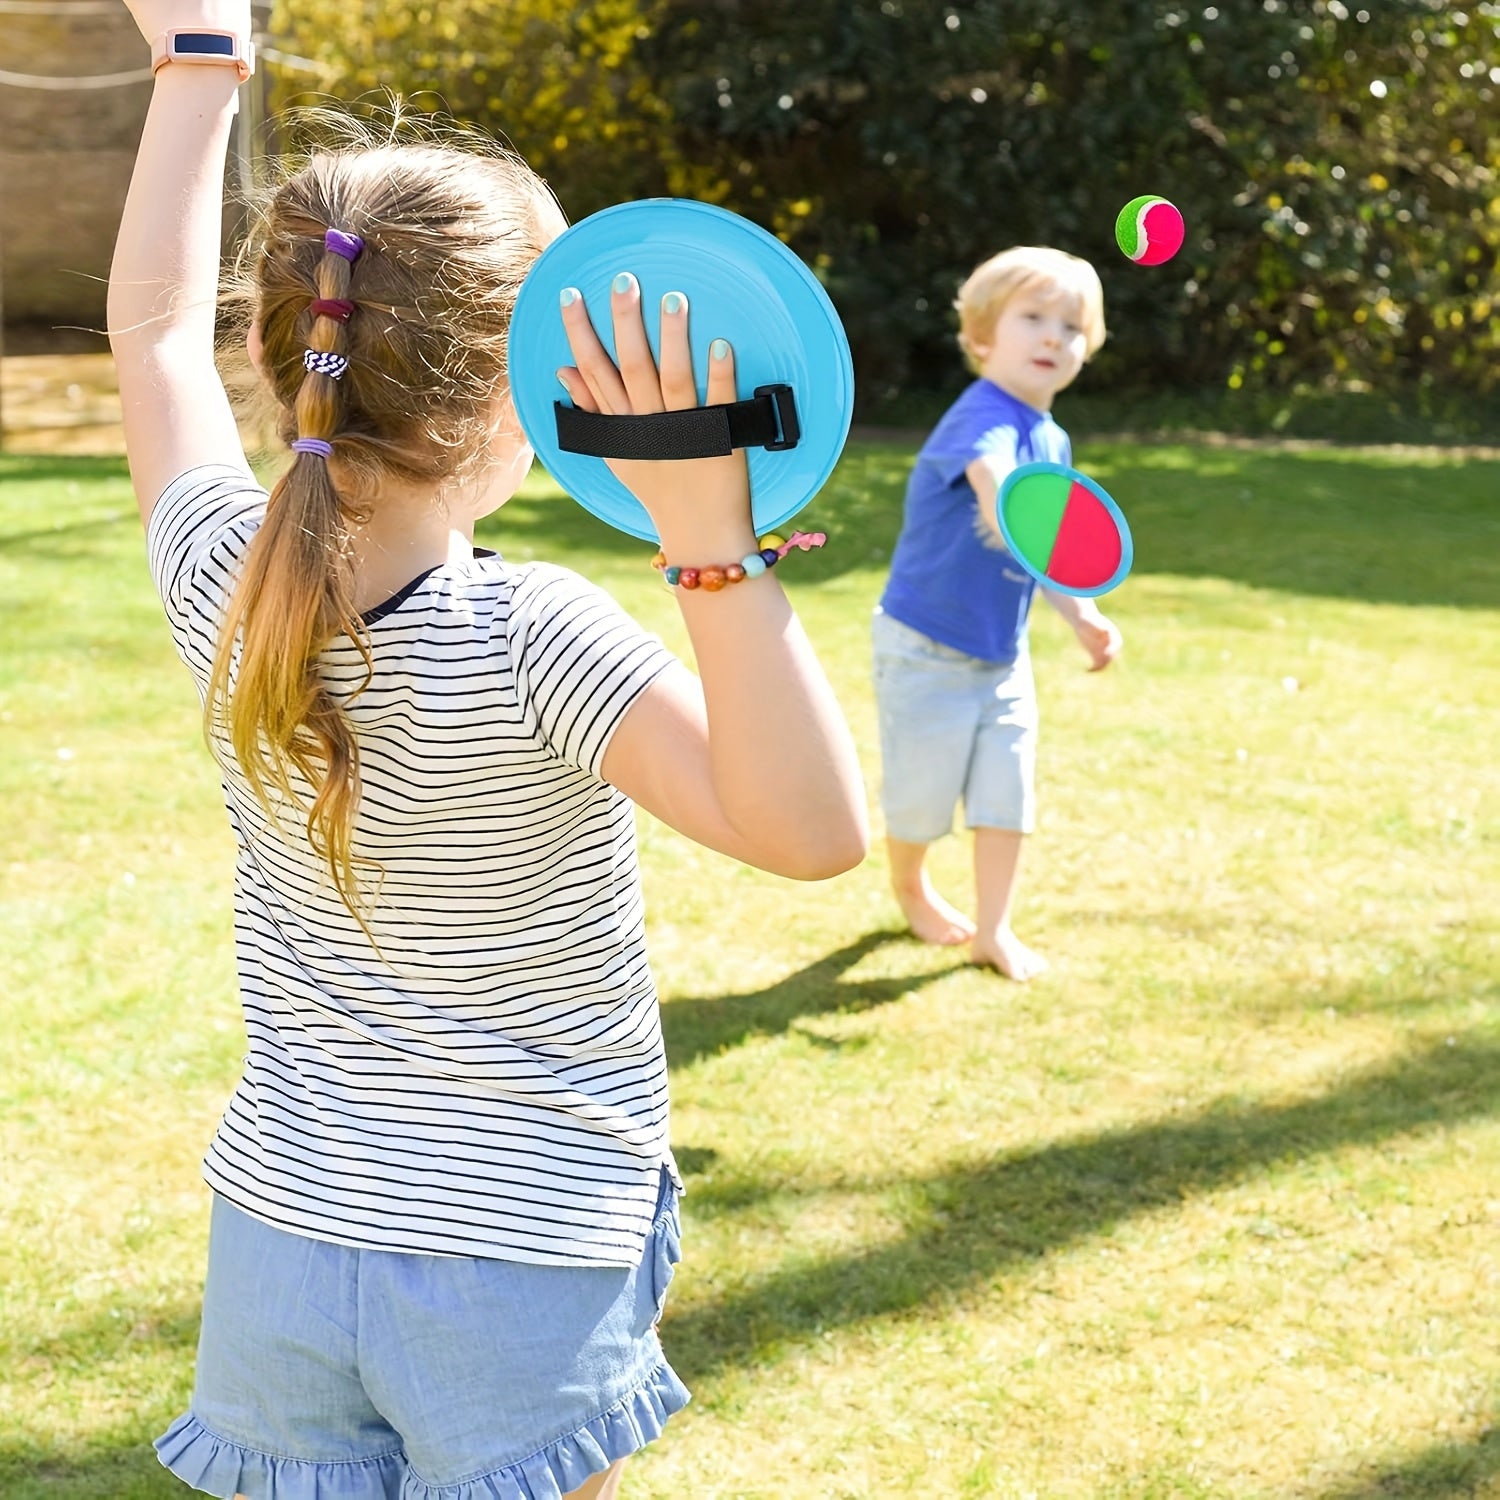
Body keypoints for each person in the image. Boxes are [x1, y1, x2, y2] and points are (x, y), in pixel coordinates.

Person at [108, 5, 867, 1497]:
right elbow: (810, 832)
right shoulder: (535, 641)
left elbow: (143, 331)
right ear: (521, 398)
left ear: (283, 356)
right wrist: (709, 541)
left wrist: (200, 57)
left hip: (284, 1242)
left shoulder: (220, 585)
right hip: (515, 1260)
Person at [872, 245, 1122, 981]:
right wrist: (1006, 498)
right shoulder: (978, 416)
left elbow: (1056, 551)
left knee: (1006, 795)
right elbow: (997, 484)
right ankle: (911, 883)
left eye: (1072, 326)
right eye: (1034, 318)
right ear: (982, 337)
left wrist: (1083, 616)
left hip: (1000, 654)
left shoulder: (1054, 439)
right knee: (921, 798)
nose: (1053, 337)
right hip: (925, 646)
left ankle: (993, 929)